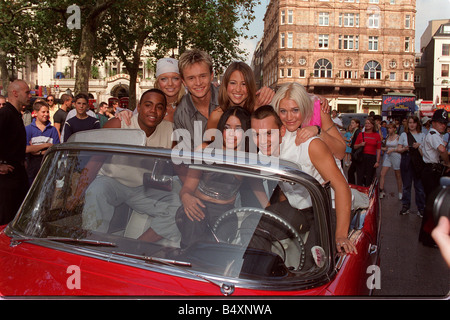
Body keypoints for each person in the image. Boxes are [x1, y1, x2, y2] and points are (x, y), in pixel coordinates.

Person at [69, 89, 179, 243]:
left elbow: (180, 164)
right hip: (111, 181)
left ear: (164, 111)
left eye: (159, 107)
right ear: (139, 107)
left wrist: (188, 191)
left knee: (180, 206)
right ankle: (91, 244)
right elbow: (95, 161)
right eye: (148, 105)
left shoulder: (170, 130)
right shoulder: (119, 123)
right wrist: (76, 196)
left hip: (143, 187)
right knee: (96, 192)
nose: (153, 111)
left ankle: (136, 246)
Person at [251, 104, 356, 255]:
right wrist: (268, 207)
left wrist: (340, 235)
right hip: (300, 207)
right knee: (256, 225)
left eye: (268, 133)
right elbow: (256, 178)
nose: (262, 141)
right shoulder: (262, 153)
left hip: (330, 207)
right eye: (256, 134)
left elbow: (342, 188)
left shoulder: (308, 146)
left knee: (314, 259)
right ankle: (259, 271)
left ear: (281, 131)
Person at [176, 106, 268, 248]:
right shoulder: (205, 149)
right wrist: (186, 197)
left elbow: (257, 185)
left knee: (218, 253)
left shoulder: (248, 158)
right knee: (194, 227)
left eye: (238, 128)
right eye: (227, 127)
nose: (231, 133)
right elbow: (187, 187)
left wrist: (269, 209)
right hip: (198, 206)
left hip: (225, 214)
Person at [206, 61, 275, 132]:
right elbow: (210, 142)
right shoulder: (216, 116)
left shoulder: (259, 109)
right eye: (233, 83)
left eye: (244, 84)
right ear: (226, 85)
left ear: (250, 86)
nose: (238, 89)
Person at [0, 79, 31, 225]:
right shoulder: (5, 114)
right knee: (7, 219)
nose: (29, 95)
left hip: (17, 173)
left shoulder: (16, 115)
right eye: (27, 92)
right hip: (7, 179)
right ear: (15, 93)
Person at [419, 109, 450, 247]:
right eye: (441, 123)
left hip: (432, 170)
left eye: (445, 123)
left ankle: (425, 236)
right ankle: (428, 238)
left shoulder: (434, 134)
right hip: (431, 171)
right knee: (433, 206)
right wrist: (448, 162)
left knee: (431, 205)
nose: (443, 125)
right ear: (434, 123)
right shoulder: (433, 134)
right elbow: (442, 150)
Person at [25, 100, 60, 185]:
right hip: (32, 168)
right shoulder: (28, 129)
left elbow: (55, 149)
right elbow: (26, 149)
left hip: (49, 168)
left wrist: (36, 150)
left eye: (47, 112)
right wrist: (46, 145)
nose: (46, 114)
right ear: (36, 113)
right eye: (43, 112)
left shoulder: (53, 130)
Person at [396, 115, 426, 216]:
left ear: (417, 123)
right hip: (407, 159)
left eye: (413, 122)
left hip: (418, 161)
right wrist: (405, 149)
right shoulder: (404, 135)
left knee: (419, 186)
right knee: (406, 185)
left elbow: (425, 151)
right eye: (410, 123)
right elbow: (398, 149)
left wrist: (419, 145)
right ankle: (405, 206)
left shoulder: (422, 135)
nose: (412, 125)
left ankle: (421, 207)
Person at [353, 118, 382, 187]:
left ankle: (368, 193)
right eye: (366, 123)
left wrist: (377, 161)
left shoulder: (377, 135)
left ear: (372, 125)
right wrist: (360, 144)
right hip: (361, 157)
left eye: (369, 123)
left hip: (371, 158)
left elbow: (378, 149)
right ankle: (359, 192)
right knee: (360, 176)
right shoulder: (361, 134)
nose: (367, 125)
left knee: (370, 177)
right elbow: (354, 146)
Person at [379, 123, 402, 200]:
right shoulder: (388, 137)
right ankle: (381, 191)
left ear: (395, 129)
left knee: (397, 175)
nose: (389, 130)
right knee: (382, 173)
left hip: (396, 156)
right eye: (388, 128)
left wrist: (393, 150)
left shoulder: (398, 137)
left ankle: (400, 192)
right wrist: (381, 148)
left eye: (391, 128)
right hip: (388, 156)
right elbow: (385, 147)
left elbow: (400, 148)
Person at [347, 118, 361, 184]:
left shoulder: (357, 132)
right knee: (351, 172)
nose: (351, 124)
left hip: (356, 155)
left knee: (351, 172)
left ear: (357, 124)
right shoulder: (355, 131)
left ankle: (353, 185)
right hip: (355, 154)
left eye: (353, 123)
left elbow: (357, 143)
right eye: (351, 123)